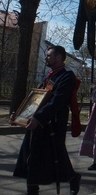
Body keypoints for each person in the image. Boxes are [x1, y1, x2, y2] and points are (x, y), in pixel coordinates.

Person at [10, 46, 81, 195]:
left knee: (55, 156)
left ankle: (72, 177)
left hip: (52, 125)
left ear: (59, 57)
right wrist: (19, 116)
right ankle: (32, 188)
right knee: (32, 155)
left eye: (49, 56)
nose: (46, 58)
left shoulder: (66, 77)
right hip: (38, 123)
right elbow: (36, 101)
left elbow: (56, 102)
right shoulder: (50, 76)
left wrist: (39, 118)